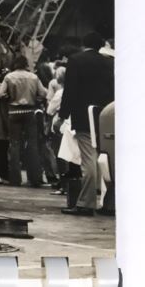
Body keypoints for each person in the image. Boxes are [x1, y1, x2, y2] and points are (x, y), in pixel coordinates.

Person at [57, 31, 114, 216]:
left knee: (88, 160)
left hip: (84, 116)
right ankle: (110, 203)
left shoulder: (76, 60)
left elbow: (70, 91)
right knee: (109, 159)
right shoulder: (108, 62)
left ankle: (86, 203)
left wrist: (62, 115)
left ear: (83, 44)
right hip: (106, 116)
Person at [0, 54, 47, 188]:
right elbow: (43, 93)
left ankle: (15, 179)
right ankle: (35, 178)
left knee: (14, 145)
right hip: (30, 112)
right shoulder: (34, 77)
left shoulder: (9, 77)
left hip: (14, 112)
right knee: (32, 144)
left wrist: (9, 97)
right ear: (26, 65)